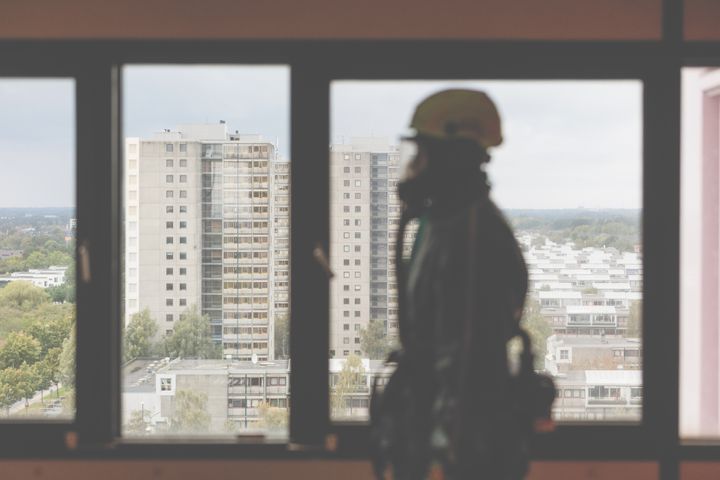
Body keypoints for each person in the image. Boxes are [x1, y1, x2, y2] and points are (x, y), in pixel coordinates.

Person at [372, 89, 535, 480]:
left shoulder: (473, 238)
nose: (413, 168)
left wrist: (442, 461)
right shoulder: (443, 225)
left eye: (422, 154)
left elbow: (468, 369)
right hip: (436, 440)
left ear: (452, 159)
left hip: (463, 454)